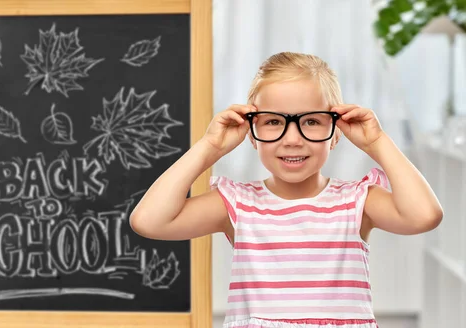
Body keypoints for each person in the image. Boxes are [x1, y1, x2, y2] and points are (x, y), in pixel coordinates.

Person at [129, 52, 443, 328]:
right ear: (251, 133)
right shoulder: (238, 204)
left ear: (335, 132)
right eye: (273, 122)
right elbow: (149, 221)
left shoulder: (357, 201)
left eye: (311, 122)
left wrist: (377, 143)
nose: (292, 139)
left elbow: (424, 216)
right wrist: (210, 147)